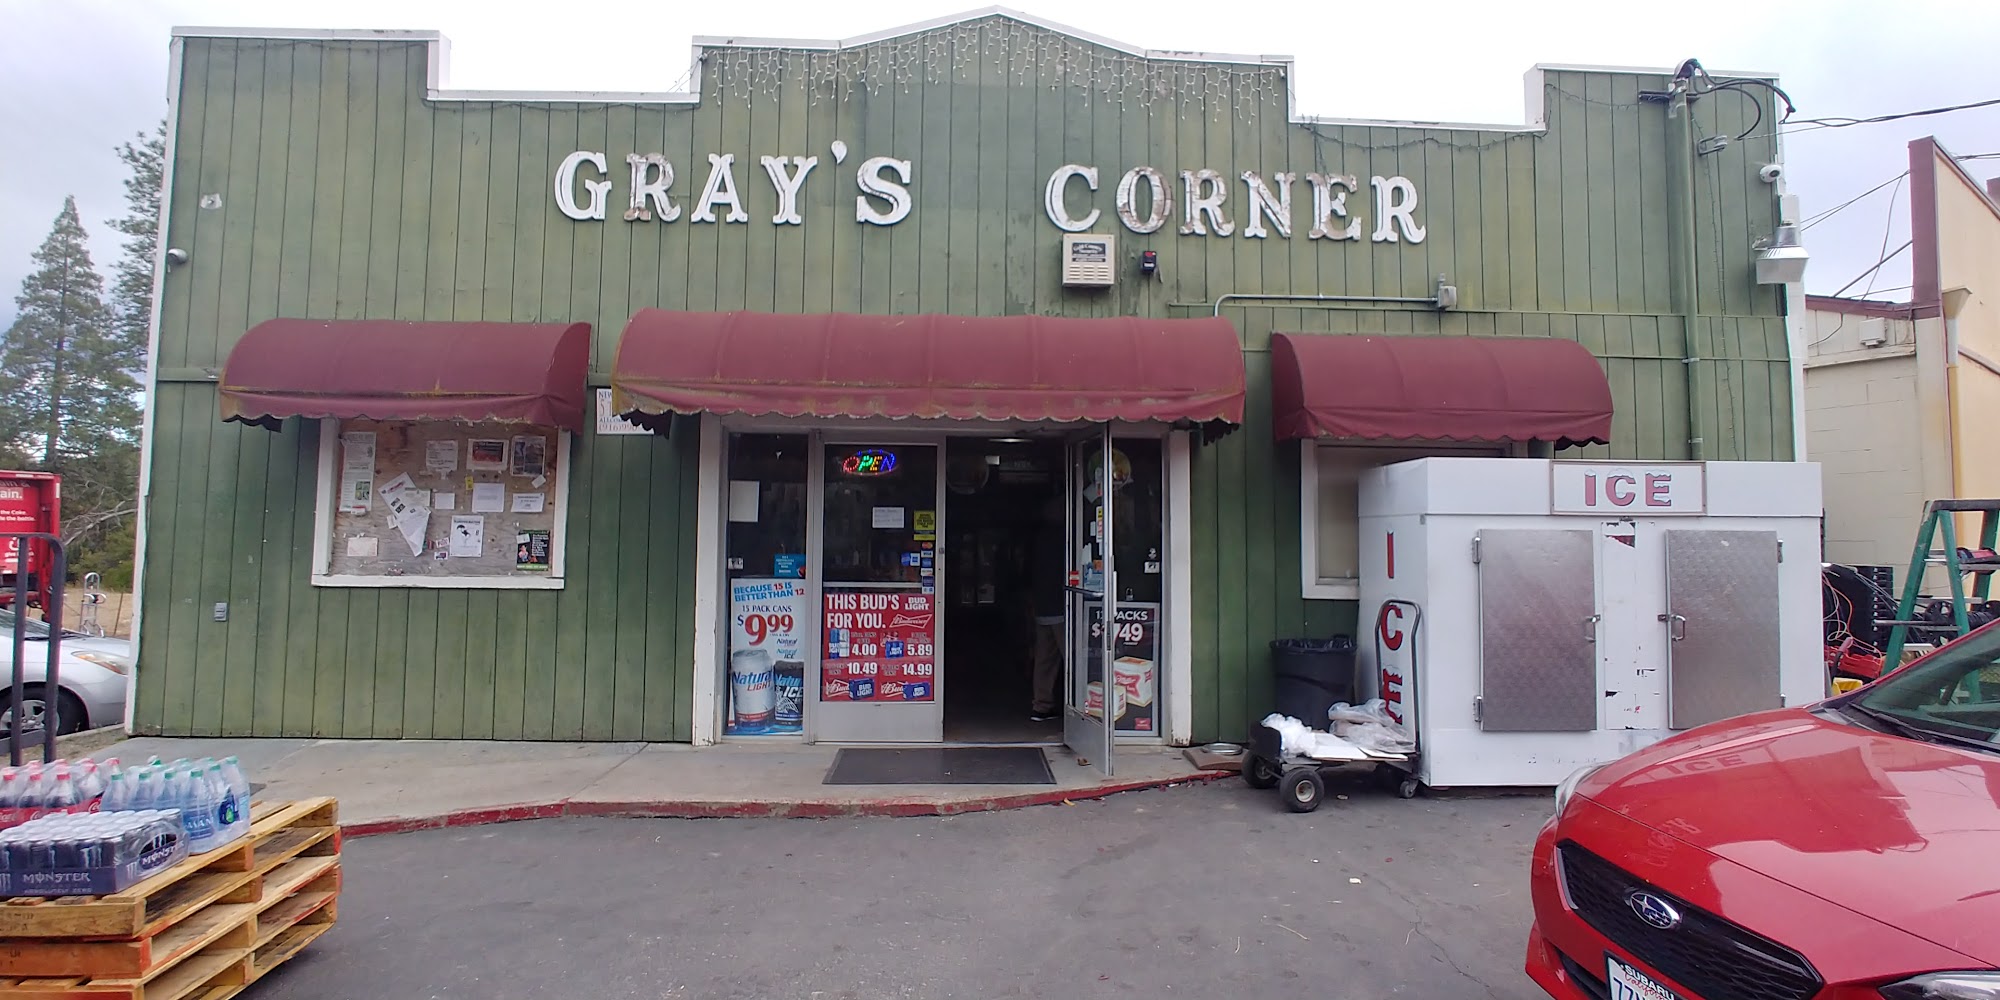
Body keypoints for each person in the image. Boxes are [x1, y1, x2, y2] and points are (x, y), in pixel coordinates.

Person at [1029, 496, 1067, 722]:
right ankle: (1084, 708)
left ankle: (1041, 706)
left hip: (1043, 606)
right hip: (1063, 607)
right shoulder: (1066, 535)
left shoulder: (1039, 538)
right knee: (1073, 659)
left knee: (1044, 660)